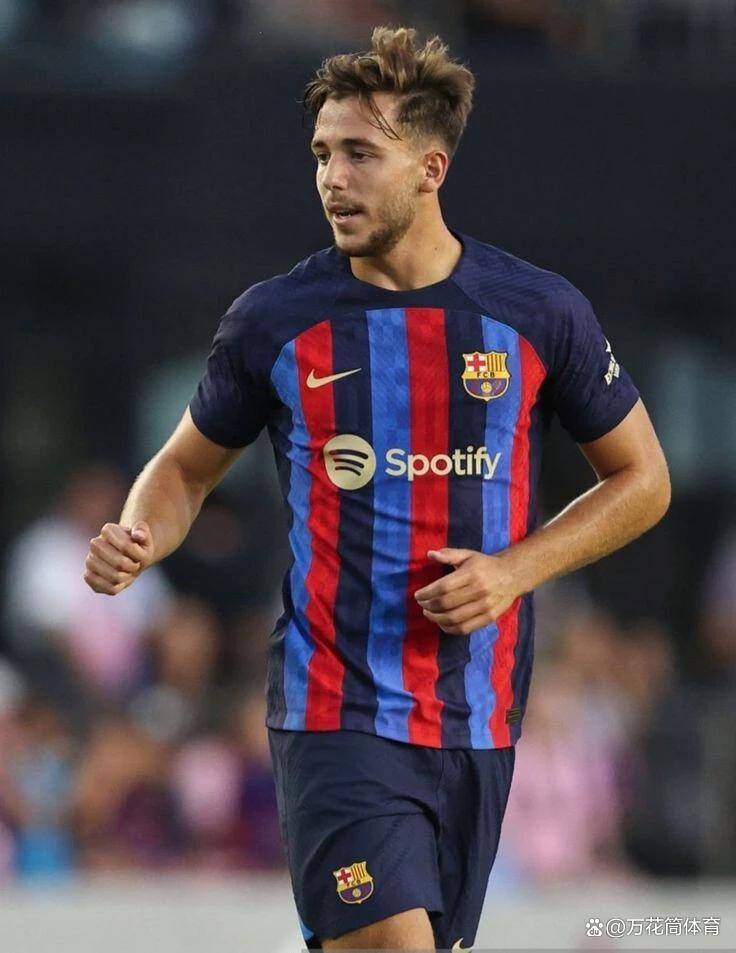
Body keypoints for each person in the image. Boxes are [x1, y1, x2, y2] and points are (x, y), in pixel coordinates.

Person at [82, 26, 670, 952]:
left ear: (432, 168)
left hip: (477, 715)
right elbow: (185, 469)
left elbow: (642, 480)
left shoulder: (537, 312)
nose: (331, 177)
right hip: (335, 707)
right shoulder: (275, 320)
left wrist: (515, 571)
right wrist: (141, 532)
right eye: (322, 154)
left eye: (359, 153)